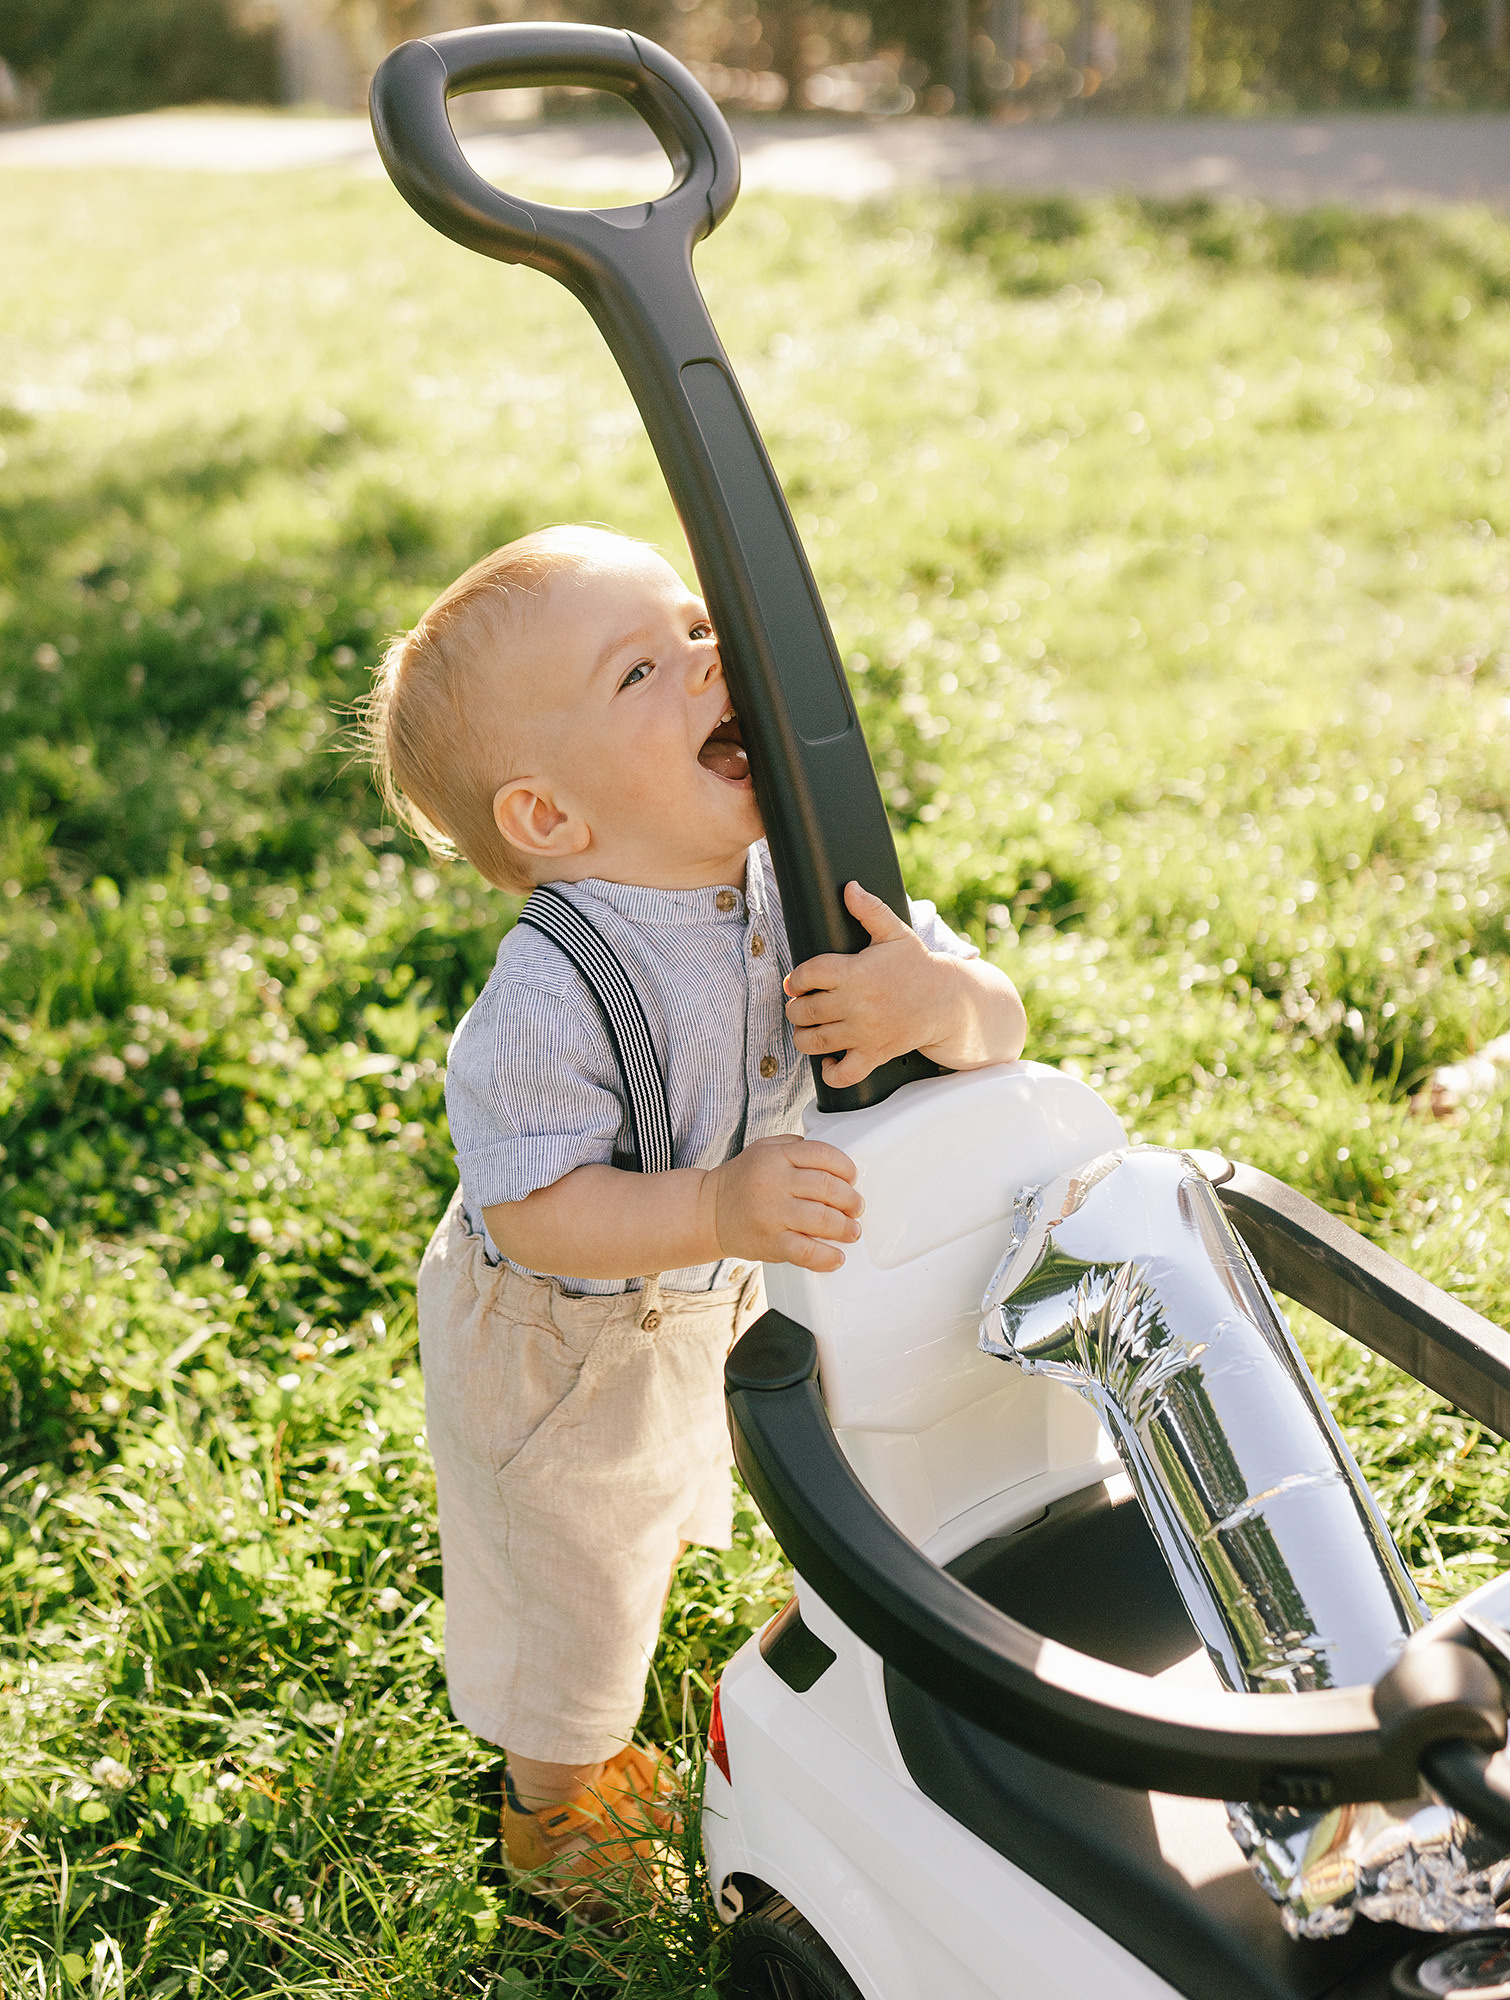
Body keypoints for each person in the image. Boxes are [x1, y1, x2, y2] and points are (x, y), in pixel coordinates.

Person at [364, 524, 1026, 1916]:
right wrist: (718, 1201)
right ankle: (554, 1803)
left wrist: (938, 1005)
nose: (710, 661)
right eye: (642, 669)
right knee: (575, 1583)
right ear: (549, 820)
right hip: (557, 1342)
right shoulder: (553, 989)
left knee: (687, 1500)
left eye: (696, 627)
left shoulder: (802, 868)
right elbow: (536, 1210)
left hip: (717, 1297)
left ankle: (670, 1658)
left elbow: (998, 1014)